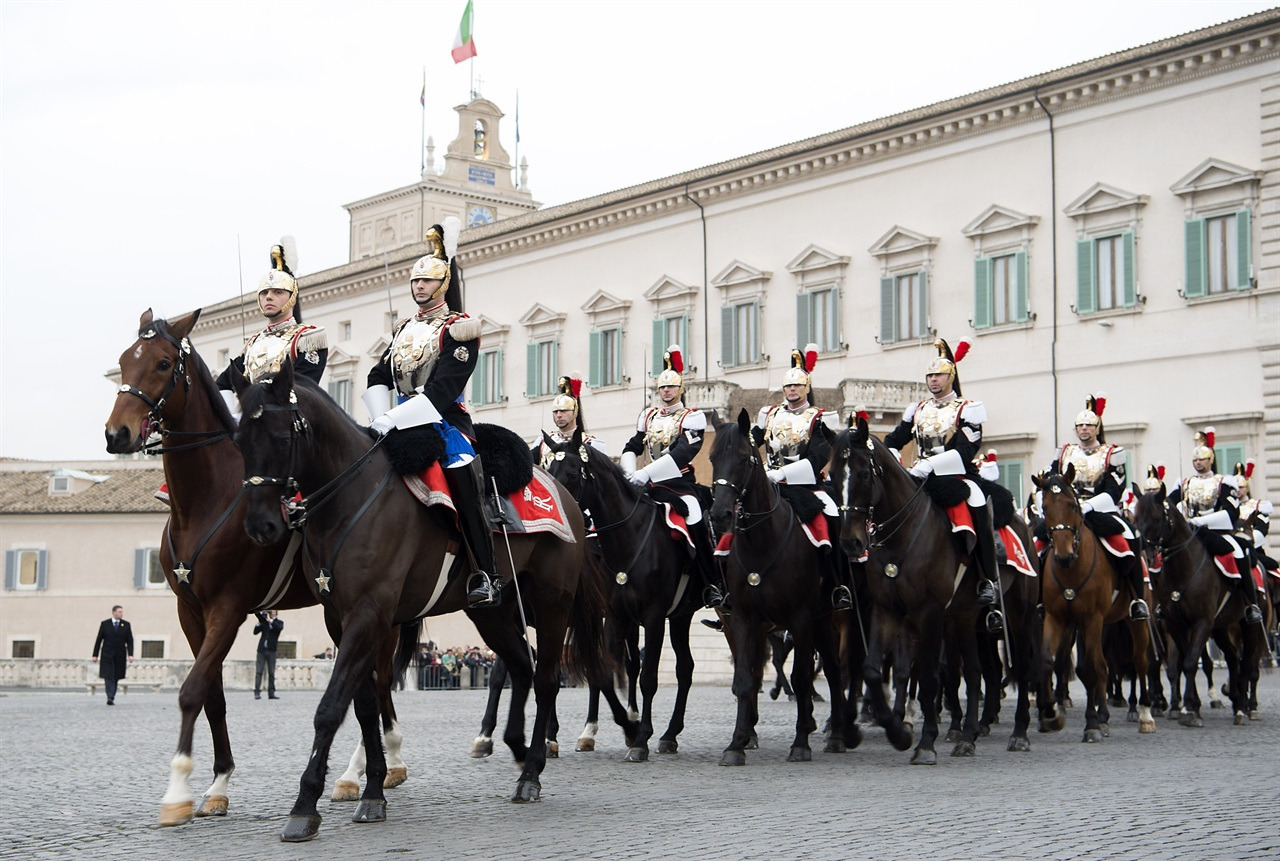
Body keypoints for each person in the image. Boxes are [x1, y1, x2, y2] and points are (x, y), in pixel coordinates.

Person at [363, 217, 499, 607]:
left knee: (460, 475)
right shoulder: (405, 329)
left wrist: (392, 419)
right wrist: (379, 416)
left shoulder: (460, 329)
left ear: (443, 284)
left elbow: (442, 390)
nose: (419, 286)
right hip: (397, 418)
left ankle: (485, 573)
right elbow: (377, 374)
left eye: (427, 281)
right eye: (415, 281)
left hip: (444, 422)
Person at [157, 238, 326, 503]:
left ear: (292, 297)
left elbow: (304, 383)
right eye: (264, 293)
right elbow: (224, 382)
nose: (268, 297)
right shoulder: (253, 343)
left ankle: (298, 501)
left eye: (277, 292)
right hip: (252, 417)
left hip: (287, 417)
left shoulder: (308, 337)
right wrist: (229, 419)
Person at [884, 338, 1003, 633]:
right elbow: (894, 439)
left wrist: (930, 465)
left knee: (978, 506)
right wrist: (890, 453)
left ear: (951, 377)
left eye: (939, 375)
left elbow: (965, 453)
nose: (934, 380)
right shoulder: (918, 410)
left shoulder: (968, 409)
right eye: (930, 375)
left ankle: (988, 579)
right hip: (919, 477)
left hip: (956, 477)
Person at [620, 344, 724, 608]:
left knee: (694, 512)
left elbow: (682, 454)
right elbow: (632, 446)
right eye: (662, 387)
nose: (666, 391)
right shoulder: (649, 416)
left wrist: (645, 472)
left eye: (671, 386)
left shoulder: (693, 418)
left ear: (681, 389)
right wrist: (631, 473)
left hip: (679, 484)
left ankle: (711, 582)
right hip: (648, 483)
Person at [752, 343, 850, 610]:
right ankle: (726, 586)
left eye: (797, 385)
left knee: (831, 514)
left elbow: (817, 458)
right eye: (788, 386)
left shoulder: (819, 418)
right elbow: (750, 444)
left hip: (806, 486)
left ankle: (839, 584)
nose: (792, 389)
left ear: (806, 387)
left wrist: (780, 473)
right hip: (769, 486)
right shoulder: (769, 415)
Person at [1044, 394, 1148, 620]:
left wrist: (1087, 506)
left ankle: (1137, 600)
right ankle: (1039, 597)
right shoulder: (1063, 453)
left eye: (1088, 425)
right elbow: (1051, 480)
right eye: (1080, 425)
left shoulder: (1112, 454)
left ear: (1097, 427)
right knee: (1037, 538)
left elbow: (1114, 491)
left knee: (1130, 538)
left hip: (1099, 510)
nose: (1083, 429)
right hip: (1066, 511)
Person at [1167, 430, 1263, 624]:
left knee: (1240, 551)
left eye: (1202, 459)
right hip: (1190, 533)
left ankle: (1250, 603)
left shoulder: (1223, 482)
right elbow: (1168, 504)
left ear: (1210, 459)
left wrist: (1200, 521)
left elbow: (1231, 513)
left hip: (1216, 532)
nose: (1198, 463)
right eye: (1195, 460)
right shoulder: (1185, 483)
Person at [531, 375, 608, 468]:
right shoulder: (542, 442)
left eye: (564, 410)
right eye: (555, 411)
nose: (559, 415)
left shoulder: (593, 444)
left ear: (575, 412)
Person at [92, 604, 134, 705]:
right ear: (114, 612)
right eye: (119, 612)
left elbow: (129, 641)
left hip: (120, 654)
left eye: (122, 612)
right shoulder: (105, 624)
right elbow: (99, 640)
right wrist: (95, 654)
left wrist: (130, 654)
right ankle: (109, 696)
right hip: (107, 654)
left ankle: (112, 695)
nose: (121, 614)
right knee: (108, 676)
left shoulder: (126, 625)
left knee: (116, 676)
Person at [253, 610, 284, 699]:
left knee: (271, 672)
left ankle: (271, 693)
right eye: (271, 611)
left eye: (273, 611)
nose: (272, 612)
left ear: (276, 613)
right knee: (259, 672)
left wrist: (270, 620)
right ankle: (257, 692)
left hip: (272, 651)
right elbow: (255, 632)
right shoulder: (264, 623)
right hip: (261, 650)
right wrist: (259, 621)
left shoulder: (279, 622)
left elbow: (278, 628)